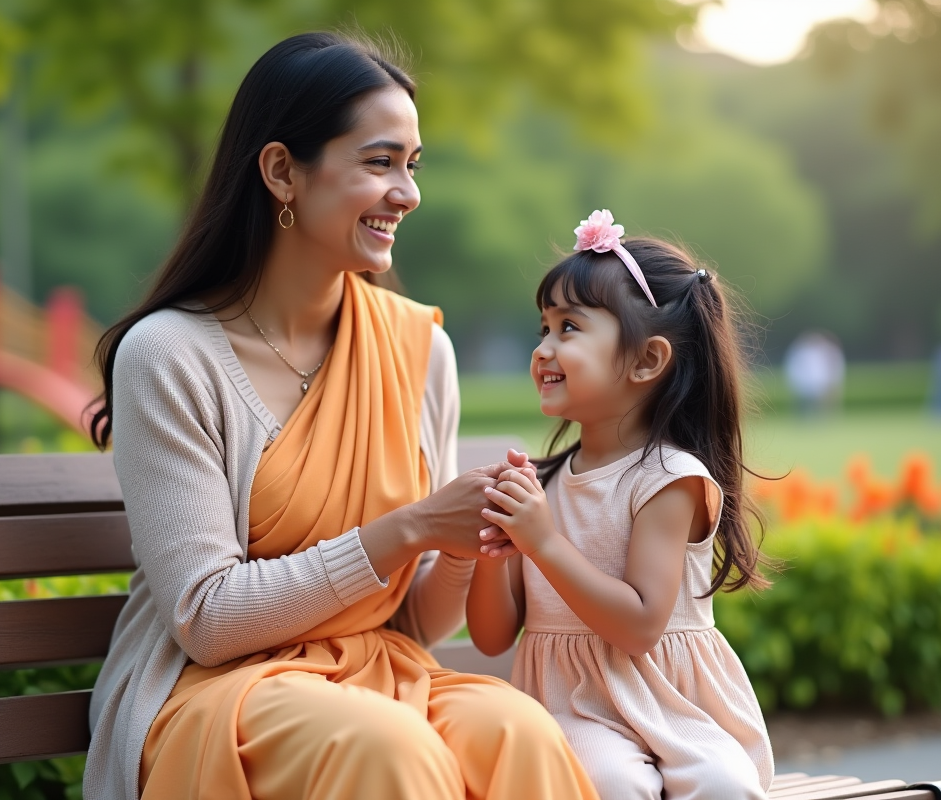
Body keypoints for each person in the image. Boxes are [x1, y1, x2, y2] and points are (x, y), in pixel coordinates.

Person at [82, 32, 597, 800]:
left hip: (381, 671)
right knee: (386, 750)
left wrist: (462, 542)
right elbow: (207, 620)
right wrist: (413, 527)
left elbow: (418, 627)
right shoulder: (169, 355)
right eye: (379, 162)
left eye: (413, 166)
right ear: (283, 171)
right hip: (215, 692)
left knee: (517, 731)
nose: (408, 193)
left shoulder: (420, 349)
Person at [466, 211, 774, 800]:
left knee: (723, 785)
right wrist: (491, 549)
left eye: (569, 328)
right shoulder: (543, 482)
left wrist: (544, 543)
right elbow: (491, 635)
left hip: (676, 703)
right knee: (609, 782)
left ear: (646, 360)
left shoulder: (668, 479)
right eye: (543, 329)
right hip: (573, 708)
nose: (544, 349)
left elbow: (638, 625)